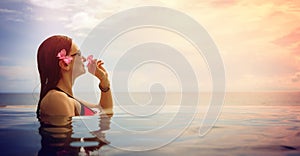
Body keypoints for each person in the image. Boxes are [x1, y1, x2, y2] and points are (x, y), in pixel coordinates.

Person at [36, 35, 113, 117]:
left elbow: (105, 111)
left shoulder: (67, 98)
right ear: (65, 64)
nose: (84, 58)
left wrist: (104, 80)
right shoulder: (57, 99)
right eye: (78, 54)